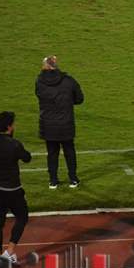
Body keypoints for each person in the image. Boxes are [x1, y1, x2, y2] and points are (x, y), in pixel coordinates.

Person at [0, 112, 32, 263]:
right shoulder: (14, 144)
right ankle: (9, 251)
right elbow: (27, 158)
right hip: (12, 189)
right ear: (9, 127)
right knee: (22, 216)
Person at [35, 55, 84, 189]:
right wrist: (67, 102)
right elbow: (79, 99)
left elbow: (39, 95)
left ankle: (53, 181)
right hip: (65, 123)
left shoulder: (39, 82)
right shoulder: (68, 81)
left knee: (52, 152)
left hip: (48, 124)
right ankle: (73, 179)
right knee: (69, 151)